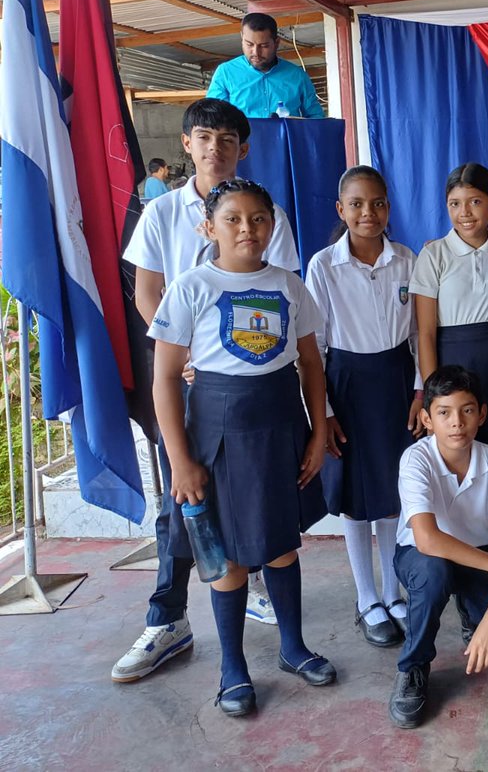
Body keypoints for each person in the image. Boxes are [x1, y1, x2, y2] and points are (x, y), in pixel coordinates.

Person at [112, 98, 302, 684]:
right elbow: (147, 293)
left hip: (254, 384)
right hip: (190, 377)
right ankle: (167, 618)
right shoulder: (161, 212)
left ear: (243, 147)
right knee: (185, 502)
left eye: (226, 139)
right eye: (203, 137)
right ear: (187, 144)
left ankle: (260, 594)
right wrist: (189, 354)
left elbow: (276, 291)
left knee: (259, 501)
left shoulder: (265, 213)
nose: (214, 148)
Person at [149, 178, 334, 717]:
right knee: (226, 556)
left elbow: (311, 363)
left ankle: (293, 647)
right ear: (208, 227)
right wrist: (180, 460)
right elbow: (164, 378)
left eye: (258, 219)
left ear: (272, 226)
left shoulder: (289, 285)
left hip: (280, 426)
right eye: (232, 219)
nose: (247, 229)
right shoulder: (191, 287)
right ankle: (233, 667)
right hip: (218, 433)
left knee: (280, 544)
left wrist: (318, 433)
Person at [388, 365, 488, 729]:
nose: (457, 422)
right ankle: (413, 667)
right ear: (427, 419)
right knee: (434, 571)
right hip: (421, 556)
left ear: (482, 414)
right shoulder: (416, 459)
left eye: (467, 410)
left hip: (480, 556)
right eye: (444, 412)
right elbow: (427, 539)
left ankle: (473, 615)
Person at [305, 166, 422, 649]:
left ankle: (393, 593)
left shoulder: (406, 260)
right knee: (355, 495)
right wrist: (324, 412)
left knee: (393, 490)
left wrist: (420, 390)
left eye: (376, 203)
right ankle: (367, 598)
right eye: (356, 204)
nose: (367, 213)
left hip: (396, 382)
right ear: (341, 209)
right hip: (347, 385)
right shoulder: (323, 266)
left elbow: (418, 334)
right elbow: (313, 345)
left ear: (388, 208)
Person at [411, 163, 488, 457]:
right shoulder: (433, 255)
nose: (465, 212)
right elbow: (425, 334)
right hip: (451, 360)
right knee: (456, 448)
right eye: (455, 204)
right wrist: (432, 397)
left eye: (475, 202)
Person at [207, 13, 323, 119]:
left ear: (276, 43)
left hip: (287, 136)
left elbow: (316, 118)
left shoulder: (297, 76)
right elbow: (213, 118)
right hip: (243, 136)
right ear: (242, 38)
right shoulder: (226, 72)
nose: (256, 52)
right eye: (249, 44)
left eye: (264, 46)